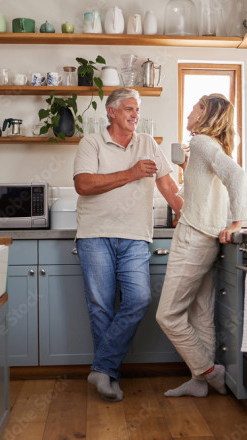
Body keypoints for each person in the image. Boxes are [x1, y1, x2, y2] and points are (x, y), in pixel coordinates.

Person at [73, 87, 183, 402]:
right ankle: (110, 377)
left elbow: (167, 184)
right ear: (112, 111)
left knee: (138, 299)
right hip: (95, 234)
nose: (136, 115)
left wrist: (184, 212)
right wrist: (132, 172)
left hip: (135, 236)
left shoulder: (148, 143)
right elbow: (83, 184)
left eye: (137, 110)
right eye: (129, 109)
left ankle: (102, 368)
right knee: (101, 308)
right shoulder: (91, 143)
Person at [156, 93, 247, 397]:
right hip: (206, 237)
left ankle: (209, 371)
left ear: (205, 116)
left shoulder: (200, 142)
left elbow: (237, 174)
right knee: (200, 312)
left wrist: (239, 220)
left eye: (196, 107)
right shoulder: (207, 147)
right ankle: (199, 383)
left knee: (167, 315)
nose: (190, 111)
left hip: (194, 238)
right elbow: (206, 192)